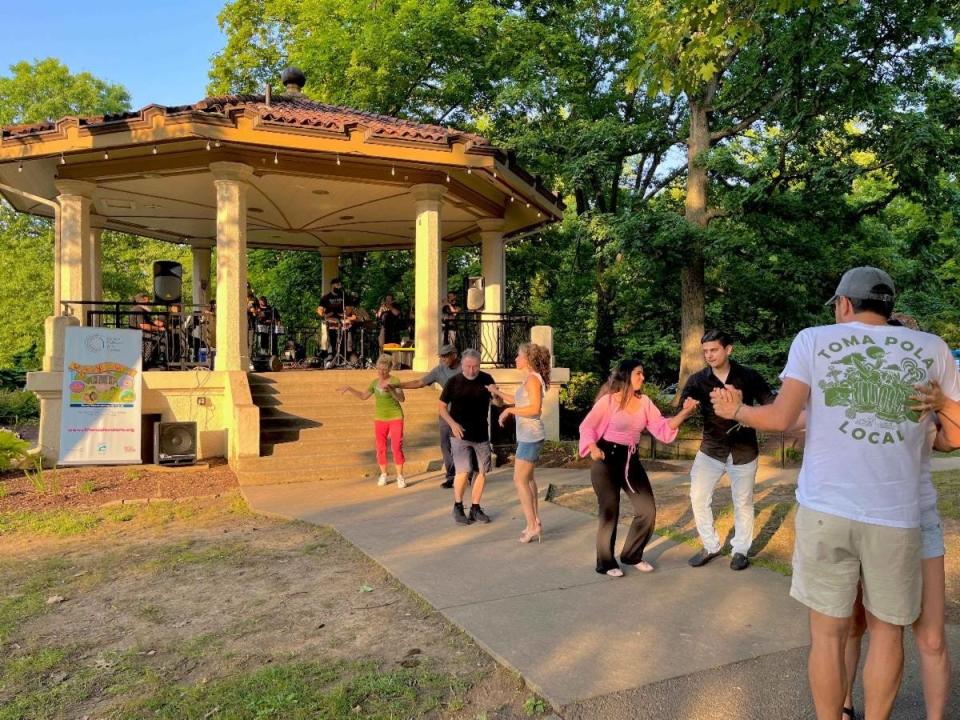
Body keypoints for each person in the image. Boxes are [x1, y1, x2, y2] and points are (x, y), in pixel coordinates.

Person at [709, 266, 960, 720]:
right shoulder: (933, 348)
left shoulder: (813, 338)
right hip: (898, 514)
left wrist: (739, 408)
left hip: (826, 509)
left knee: (828, 634)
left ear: (844, 304)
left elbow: (785, 418)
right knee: (888, 633)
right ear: (887, 306)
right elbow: (951, 432)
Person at [579, 359, 699, 576]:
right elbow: (587, 426)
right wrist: (592, 447)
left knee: (647, 511)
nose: (642, 378)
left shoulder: (644, 403)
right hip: (605, 459)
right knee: (609, 511)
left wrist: (684, 413)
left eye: (643, 374)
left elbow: (662, 427)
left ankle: (631, 555)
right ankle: (606, 562)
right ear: (626, 376)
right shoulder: (608, 402)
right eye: (638, 374)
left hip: (630, 460)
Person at [680, 329, 776, 571]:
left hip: (744, 451)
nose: (709, 355)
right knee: (698, 497)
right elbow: (685, 400)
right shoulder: (697, 380)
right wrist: (688, 405)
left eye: (714, 350)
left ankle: (741, 550)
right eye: (705, 352)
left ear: (728, 349)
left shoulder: (749, 376)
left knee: (743, 502)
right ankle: (710, 546)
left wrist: (752, 415)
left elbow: (770, 403)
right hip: (710, 450)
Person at [488, 343, 552, 543]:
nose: (516, 359)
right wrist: (496, 392)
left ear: (528, 359)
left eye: (518, 355)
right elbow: (520, 401)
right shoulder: (530, 379)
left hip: (531, 437)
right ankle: (535, 522)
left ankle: (532, 525)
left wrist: (508, 411)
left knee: (519, 480)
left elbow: (534, 408)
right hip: (528, 436)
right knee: (528, 480)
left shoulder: (533, 380)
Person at [438, 349, 497, 525]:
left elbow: (497, 403)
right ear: (462, 365)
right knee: (463, 471)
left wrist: (496, 395)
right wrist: (452, 424)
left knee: (481, 472)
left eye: (475, 367)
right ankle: (458, 506)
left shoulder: (487, 379)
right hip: (460, 435)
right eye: (468, 366)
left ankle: (476, 507)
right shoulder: (453, 382)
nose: (472, 370)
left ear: (480, 365)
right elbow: (441, 407)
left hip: (481, 434)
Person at [399, 343, 469, 488]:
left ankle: (468, 472)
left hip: (463, 412)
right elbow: (419, 382)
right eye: (441, 356)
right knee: (446, 444)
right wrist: (399, 385)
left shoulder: (465, 366)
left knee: (464, 443)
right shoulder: (439, 370)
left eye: (445, 356)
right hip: (445, 412)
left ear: (454, 355)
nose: (443, 359)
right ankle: (451, 476)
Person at [338, 354, 407, 488]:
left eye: (384, 370)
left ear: (389, 369)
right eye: (379, 369)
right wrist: (350, 388)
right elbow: (364, 396)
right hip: (380, 419)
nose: (381, 372)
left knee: (396, 447)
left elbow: (401, 399)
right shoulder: (375, 383)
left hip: (395, 417)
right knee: (380, 447)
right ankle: (384, 474)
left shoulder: (395, 380)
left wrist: (391, 390)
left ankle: (400, 476)